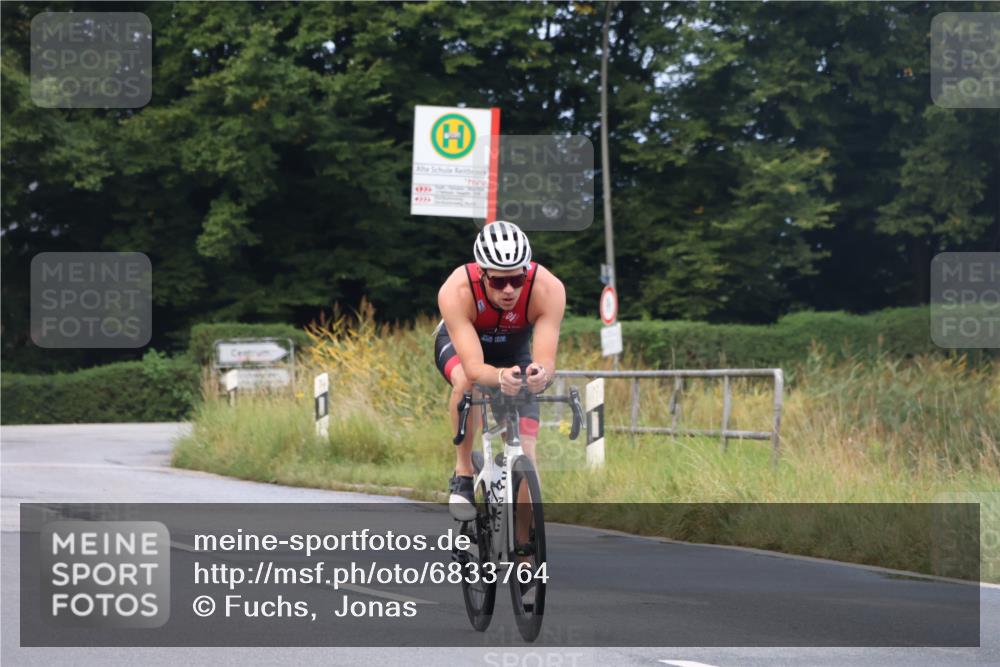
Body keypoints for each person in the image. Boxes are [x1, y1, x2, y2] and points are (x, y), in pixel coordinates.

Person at [435, 221, 566, 520]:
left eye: (517, 280)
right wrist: (498, 378)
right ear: (482, 275)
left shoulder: (548, 289)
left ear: (527, 272)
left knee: (525, 453)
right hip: (463, 347)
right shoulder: (456, 289)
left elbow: (546, 360)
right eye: (498, 282)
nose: (509, 289)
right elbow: (474, 367)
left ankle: (523, 555)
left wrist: (539, 376)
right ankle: (463, 472)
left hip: (513, 350)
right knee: (468, 382)